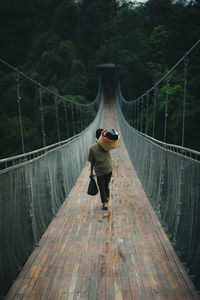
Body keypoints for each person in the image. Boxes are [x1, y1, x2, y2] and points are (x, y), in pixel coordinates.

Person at [88, 128, 119, 210]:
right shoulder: (106, 145)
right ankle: (107, 197)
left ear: (95, 136)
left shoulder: (92, 148)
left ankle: (104, 203)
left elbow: (92, 162)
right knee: (106, 184)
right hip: (109, 168)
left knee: (101, 186)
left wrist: (91, 172)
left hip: (99, 170)